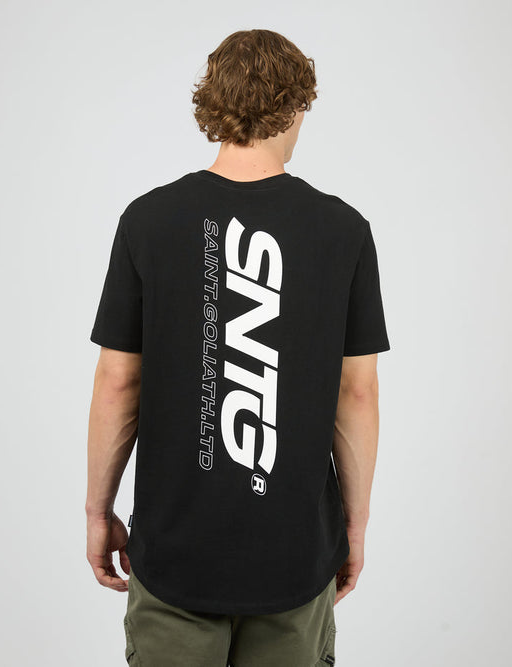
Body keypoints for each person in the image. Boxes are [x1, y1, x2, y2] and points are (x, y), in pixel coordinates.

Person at [86, 28, 390, 666]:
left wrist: (98, 512)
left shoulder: (148, 220)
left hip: (174, 557)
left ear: (213, 102)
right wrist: (353, 528)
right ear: (298, 105)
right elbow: (356, 393)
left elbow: (119, 380)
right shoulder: (343, 230)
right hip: (295, 557)